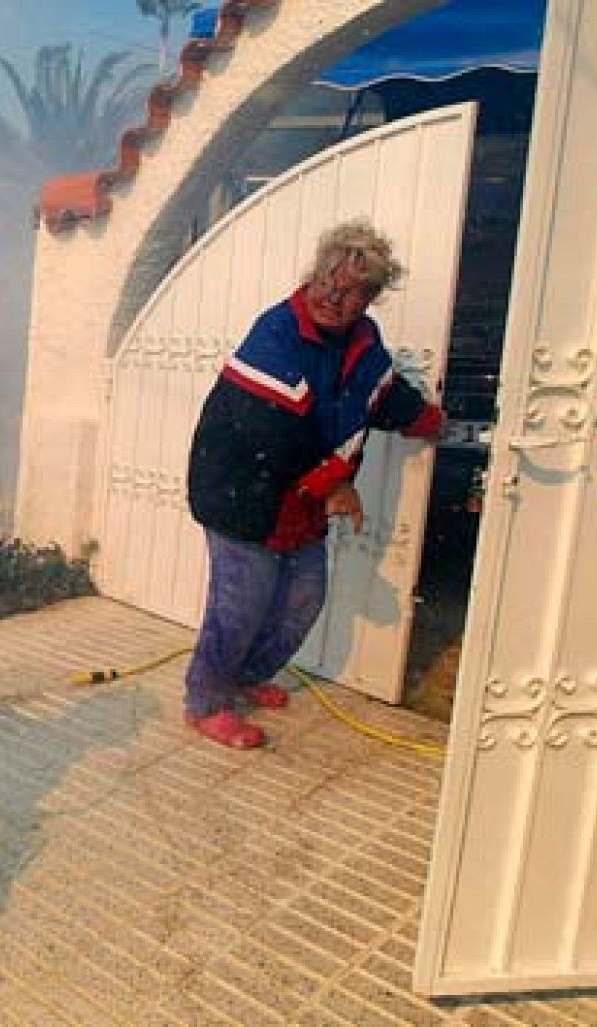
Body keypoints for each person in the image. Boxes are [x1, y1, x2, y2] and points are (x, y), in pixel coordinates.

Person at [183, 220, 446, 749]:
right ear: (314, 274)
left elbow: (382, 395)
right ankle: (206, 701)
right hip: (242, 489)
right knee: (241, 602)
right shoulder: (277, 332)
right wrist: (333, 488)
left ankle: (249, 676)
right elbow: (272, 430)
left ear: (370, 298)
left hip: (296, 497)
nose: (333, 295)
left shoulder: (366, 343)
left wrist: (429, 421)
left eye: (351, 289)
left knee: (304, 597)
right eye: (327, 279)